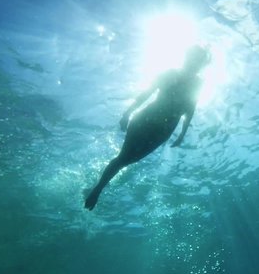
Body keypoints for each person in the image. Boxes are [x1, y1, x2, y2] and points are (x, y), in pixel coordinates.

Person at [84, 45, 211, 210]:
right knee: (124, 158)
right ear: (186, 58)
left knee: (128, 160)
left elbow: (190, 109)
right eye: (192, 58)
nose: (193, 63)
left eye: (197, 61)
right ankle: (97, 189)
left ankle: (97, 186)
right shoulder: (170, 74)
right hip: (147, 120)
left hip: (162, 130)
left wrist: (182, 134)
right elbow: (147, 93)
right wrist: (127, 113)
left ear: (201, 65)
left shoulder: (196, 83)